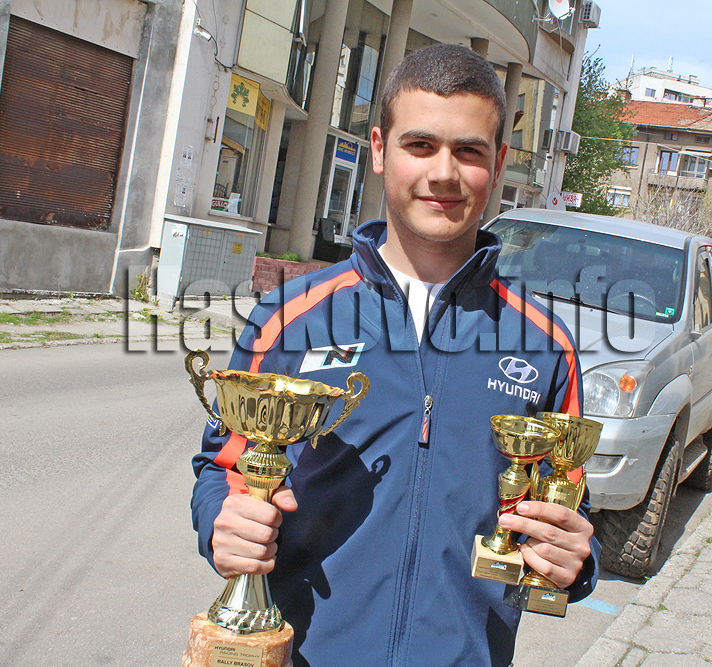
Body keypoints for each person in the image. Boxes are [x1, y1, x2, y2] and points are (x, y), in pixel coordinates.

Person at [190, 43, 598, 667]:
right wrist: (221, 522)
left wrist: (575, 561)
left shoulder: (544, 345)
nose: (444, 173)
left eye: (469, 151)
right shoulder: (291, 318)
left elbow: (566, 503)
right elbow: (222, 466)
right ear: (379, 150)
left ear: (498, 163)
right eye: (421, 145)